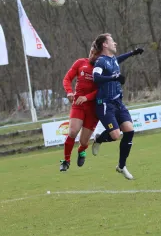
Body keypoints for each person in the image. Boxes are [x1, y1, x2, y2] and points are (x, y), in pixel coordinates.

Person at [90, 34, 144, 180]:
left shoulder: (112, 59)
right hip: (105, 104)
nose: (115, 43)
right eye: (112, 41)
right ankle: (99, 139)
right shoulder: (100, 61)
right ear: (105, 45)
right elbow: (96, 78)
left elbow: (119, 59)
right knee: (115, 135)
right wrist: (114, 77)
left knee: (129, 131)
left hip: (118, 102)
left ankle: (121, 166)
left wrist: (133, 53)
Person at [60, 47, 101, 171]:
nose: (92, 55)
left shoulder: (102, 69)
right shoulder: (80, 63)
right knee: (72, 132)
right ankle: (66, 161)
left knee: (84, 141)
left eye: (95, 54)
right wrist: (69, 92)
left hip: (93, 108)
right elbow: (67, 79)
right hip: (78, 104)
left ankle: (82, 150)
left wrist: (87, 97)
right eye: (91, 52)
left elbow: (101, 90)